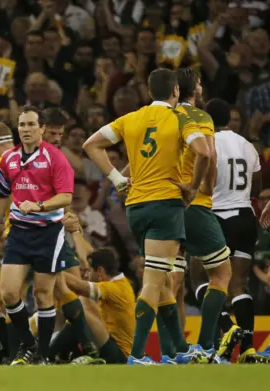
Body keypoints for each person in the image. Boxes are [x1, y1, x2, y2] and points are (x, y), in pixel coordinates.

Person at [83, 68, 211, 365]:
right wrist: (192, 188)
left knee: (162, 280)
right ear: (176, 91)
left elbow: (91, 145)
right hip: (165, 205)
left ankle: (179, 348)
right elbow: (203, 152)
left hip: (136, 208)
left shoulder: (132, 118)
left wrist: (116, 179)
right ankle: (137, 354)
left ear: (149, 92)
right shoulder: (181, 118)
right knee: (154, 281)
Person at [0, 106, 99, 365]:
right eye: (22, 125)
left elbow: (66, 196)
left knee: (43, 294)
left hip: (48, 233)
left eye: (31, 125)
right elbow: (0, 196)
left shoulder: (56, 158)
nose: (25, 129)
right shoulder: (9, 159)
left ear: (42, 129)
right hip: (18, 232)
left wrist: (39, 206)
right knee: (9, 293)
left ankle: (42, 354)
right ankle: (27, 342)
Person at [169, 69, 233, 363]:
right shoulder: (199, 116)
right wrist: (201, 188)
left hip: (163, 206)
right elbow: (209, 156)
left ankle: (174, 351)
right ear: (193, 88)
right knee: (221, 274)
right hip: (193, 204)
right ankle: (207, 347)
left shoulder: (162, 117)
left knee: (170, 282)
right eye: (200, 82)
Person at [206, 98, 268, 363]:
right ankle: (248, 349)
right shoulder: (248, 145)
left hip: (216, 217)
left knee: (203, 279)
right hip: (245, 217)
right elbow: (257, 187)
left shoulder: (206, 143)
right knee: (238, 283)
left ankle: (227, 327)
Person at [53, 214, 135, 365]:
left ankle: (50, 352)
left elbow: (79, 286)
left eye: (89, 270)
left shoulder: (114, 289)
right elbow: (91, 255)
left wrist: (51, 267)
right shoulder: (115, 279)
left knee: (80, 308)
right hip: (109, 341)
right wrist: (76, 233)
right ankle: (64, 353)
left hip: (119, 355)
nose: (86, 272)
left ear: (100, 272)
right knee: (82, 306)